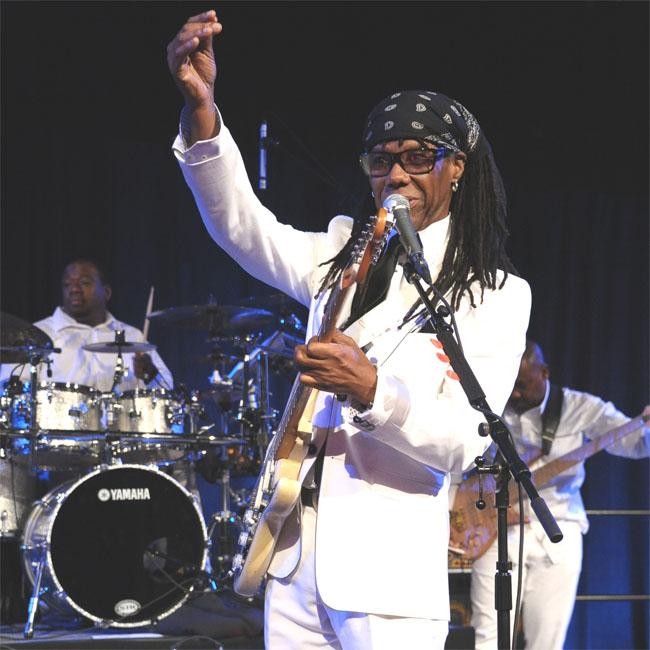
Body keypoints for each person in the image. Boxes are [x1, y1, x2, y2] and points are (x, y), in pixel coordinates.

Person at [167, 10, 531, 649]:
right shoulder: (341, 251)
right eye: (381, 160)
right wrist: (203, 113)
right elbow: (242, 228)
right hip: (294, 561)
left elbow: (465, 442)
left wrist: (373, 392)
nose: (396, 175)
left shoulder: (493, 294)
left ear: (457, 167)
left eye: (418, 158)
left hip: (386, 575)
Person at [470, 340, 650, 650]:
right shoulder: (492, 408)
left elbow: (634, 444)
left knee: (547, 643)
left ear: (544, 373)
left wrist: (644, 427)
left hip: (558, 528)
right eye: (511, 386)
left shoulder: (581, 408)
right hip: (495, 529)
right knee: (487, 638)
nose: (515, 394)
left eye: (523, 385)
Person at [1, 258, 172, 392]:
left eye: (84, 283)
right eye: (67, 284)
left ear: (106, 292)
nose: (74, 289)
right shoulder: (36, 335)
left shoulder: (132, 336)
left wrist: (150, 373)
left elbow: (168, 391)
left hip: (123, 427)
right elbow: (8, 389)